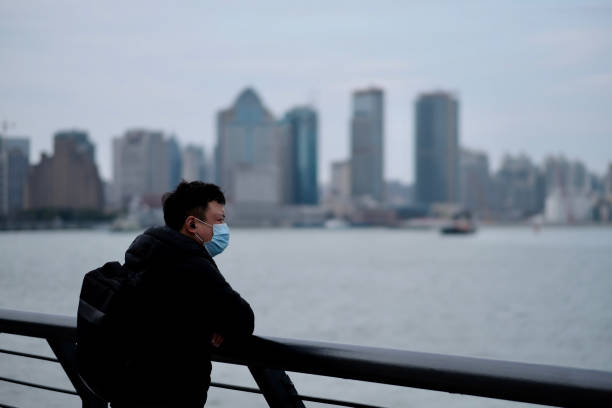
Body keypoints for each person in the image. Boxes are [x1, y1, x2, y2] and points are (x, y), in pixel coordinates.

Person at [111, 181, 254, 408]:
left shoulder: (145, 251)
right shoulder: (192, 264)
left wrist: (208, 322)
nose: (223, 228)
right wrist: (217, 325)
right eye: (218, 220)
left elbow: (170, 311)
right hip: (171, 395)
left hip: (128, 389)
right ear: (192, 225)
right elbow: (243, 319)